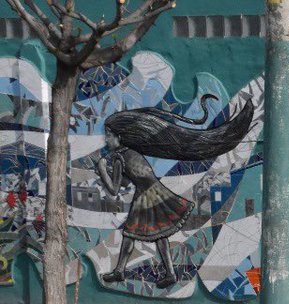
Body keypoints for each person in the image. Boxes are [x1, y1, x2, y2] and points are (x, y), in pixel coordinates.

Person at [96, 98, 253, 289]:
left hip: (148, 195)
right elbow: (130, 179)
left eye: (109, 136)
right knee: (153, 234)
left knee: (135, 233)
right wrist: (108, 172)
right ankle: (148, 271)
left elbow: (113, 190)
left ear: (119, 137)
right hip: (151, 191)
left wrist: (102, 169)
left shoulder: (120, 158)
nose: (106, 139)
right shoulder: (129, 153)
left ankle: (127, 271)